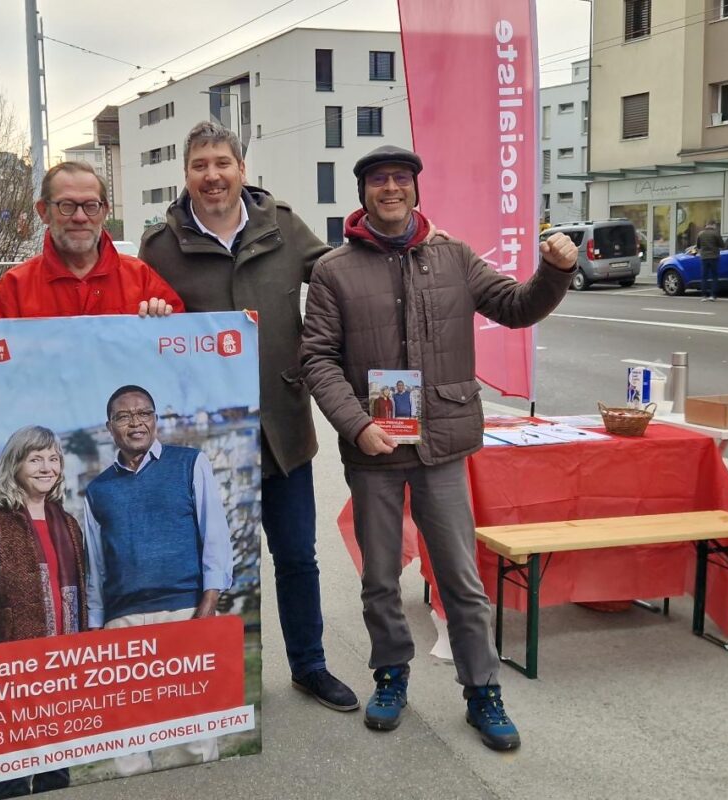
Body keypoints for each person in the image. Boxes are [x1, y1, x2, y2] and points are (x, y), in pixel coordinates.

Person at [300, 145, 578, 752]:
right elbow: (316, 358)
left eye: (401, 179)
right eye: (379, 181)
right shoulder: (334, 270)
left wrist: (554, 272)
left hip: (444, 442)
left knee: (460, 579)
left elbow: (515, 307)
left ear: (416, 190)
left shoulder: (453, 257)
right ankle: (391, 675)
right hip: (375, 448)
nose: (391, 189)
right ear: (364, 193)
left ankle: (482, 692)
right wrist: (355, 424)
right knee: (379, 578)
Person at [138, 120, 359, 712]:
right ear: (185, 175)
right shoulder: (160, 247)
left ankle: (309, 666)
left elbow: (339, 274)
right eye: (199, 165)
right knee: (210, 565)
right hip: (204, 439)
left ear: (241, 169)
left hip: (282, 427)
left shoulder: (282, 226)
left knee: (296, 557)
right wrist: (151, 313)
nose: (212, 176)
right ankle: (205, 681)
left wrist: (393, 241)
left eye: (222, 163)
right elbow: (140, 334)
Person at [81, 385, 232, 774]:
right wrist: (98, 626)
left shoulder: (190, 463)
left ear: (155, 420)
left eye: (144, 413)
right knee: (129, 740)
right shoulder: (96, 491)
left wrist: (209, 603)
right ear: (109, 427)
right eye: (124, 416)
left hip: (184, 610)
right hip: (123, 619)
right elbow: (94, 565)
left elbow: (214, 533)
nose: (136, 423)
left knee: (194, 734)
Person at [0, 425, 85, 798]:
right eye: (35, 458)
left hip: (63, 663)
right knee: (11, 776)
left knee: (57, 772)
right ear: (14, 465)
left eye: (54, 458)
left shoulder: (69, 524)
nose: (47, 467)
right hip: (12, 668)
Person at [0, 161, 182, 318]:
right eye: (67, 205)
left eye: (90, 205)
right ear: (43, 211)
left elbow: (182, 347)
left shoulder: (142, 280)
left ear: (105, 210)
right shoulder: (14, 289)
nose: (80, 217)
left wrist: (164, 321)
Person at [696, 220, 724, 302]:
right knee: (714, 276)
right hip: (714, 257)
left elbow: (698, 246)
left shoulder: (700, 234)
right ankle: (713, 295)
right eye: (715, 225)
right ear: (713, 225)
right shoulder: (716, 233)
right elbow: (722, 245)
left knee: (704, 276)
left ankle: (704, 295)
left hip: (704, 257)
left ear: (707, 225)